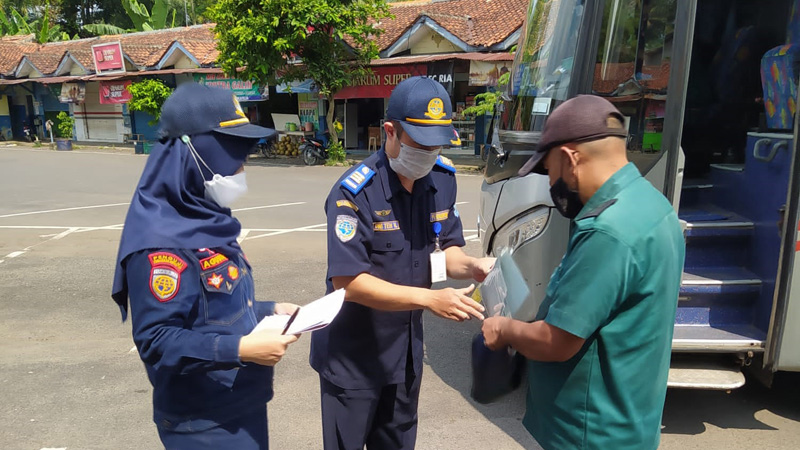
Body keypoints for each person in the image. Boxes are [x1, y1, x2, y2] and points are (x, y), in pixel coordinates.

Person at [482, 95, 685, 450]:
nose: (551, 184)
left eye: (549, 171)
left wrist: (504, 329)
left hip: (591, 432)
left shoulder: (607, 231)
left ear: (569, 158)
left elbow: (557, 342)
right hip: (628, 418)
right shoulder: (652, 205)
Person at [310, 76, 495, 450]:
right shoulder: (354, 192)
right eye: (420, 144)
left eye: (437, 144)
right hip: (353, 361)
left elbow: (444, 253)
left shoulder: (440, 180)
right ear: (390, 132)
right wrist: (429, 300)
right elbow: (348, 281)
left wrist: (473, 266)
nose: (429, 153)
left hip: (405, 359)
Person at [111, 83, 298, 450]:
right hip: (203, 423)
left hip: (241, 405)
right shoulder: (160, 244)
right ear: (198, 153)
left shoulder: (203, 219)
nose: (242, 168)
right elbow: (157, 340)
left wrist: (267, 311)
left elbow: (210, 307)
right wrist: (241, 350)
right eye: (233, 155)